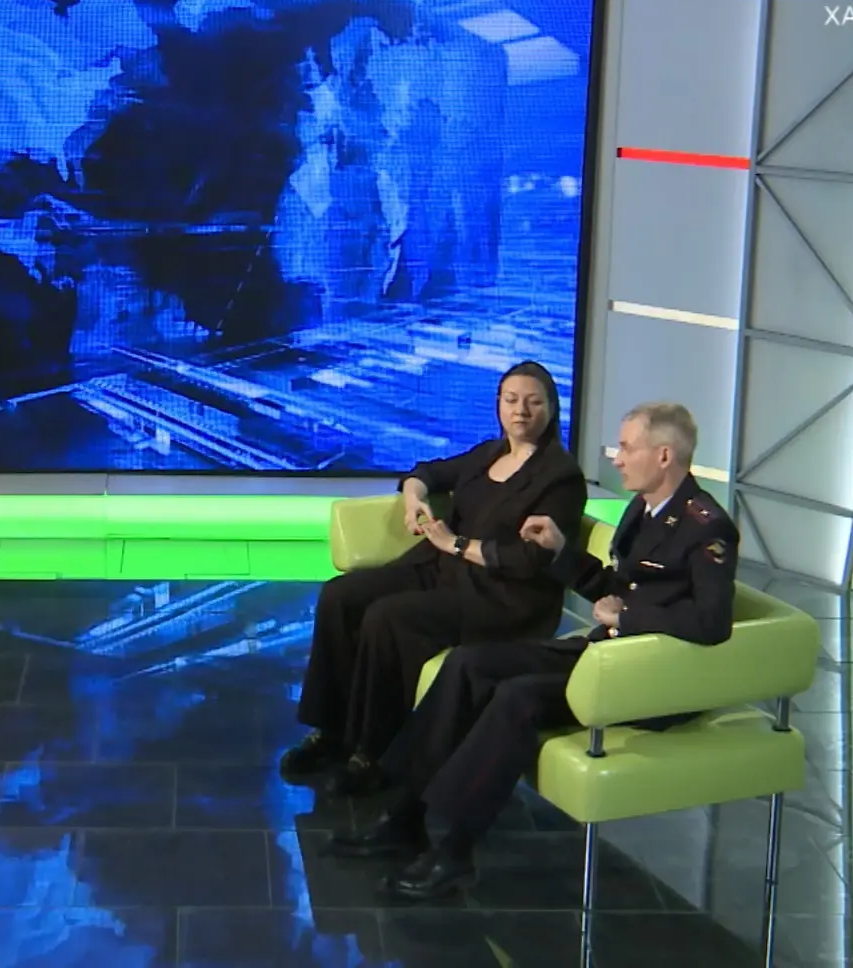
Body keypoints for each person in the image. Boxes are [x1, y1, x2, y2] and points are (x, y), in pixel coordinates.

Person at [329, 401, 740, 899]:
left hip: (646, 678)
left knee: (517, 697)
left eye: (627, 447)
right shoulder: (644, 508)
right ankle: (405, 814)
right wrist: (560, 552)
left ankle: (455, 850)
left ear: (664, 455)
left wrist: (628, 619)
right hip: (607, 655)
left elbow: (711, 623)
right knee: (468, 664)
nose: (616, 457)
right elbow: (618, 589)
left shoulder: (706, 526)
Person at [281, 361, 589, 796]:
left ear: (552, 409)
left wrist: (457, 545)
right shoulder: (488, 453)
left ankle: (374, 752)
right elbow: (426, 472)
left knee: (390, 617)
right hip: (442, 570)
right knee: (340, 595)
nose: (521, 410)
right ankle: (331, 732)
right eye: (511, 400)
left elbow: (530, 559)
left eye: (533, 402)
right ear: (498, 405)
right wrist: (415, 500)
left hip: (503, 596)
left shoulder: (561, 477)